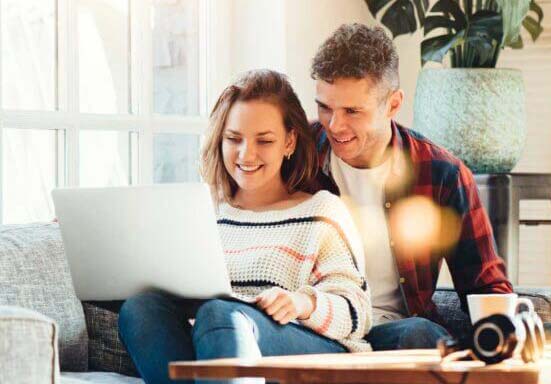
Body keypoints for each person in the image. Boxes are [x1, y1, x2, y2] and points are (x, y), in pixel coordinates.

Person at [117, 69, 371, 384]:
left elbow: (356, 310)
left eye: (264, 140)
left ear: (289, 141)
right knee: (140, 309)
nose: (246, 154)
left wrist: (301, 303)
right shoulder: (206, 212)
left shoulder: (322, 211)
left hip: (310, 350)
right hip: (217, 347)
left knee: (219, 313)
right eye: (234, 139)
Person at [309, 23, 513, 351]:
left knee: (419, 333)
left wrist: (507, 334)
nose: (335, 125)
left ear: (393, 103)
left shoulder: (441, 173)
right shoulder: (297, 156)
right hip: (313, 328)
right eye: (325, 107)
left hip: (392, 332)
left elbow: (484, 286)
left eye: (352, 111)